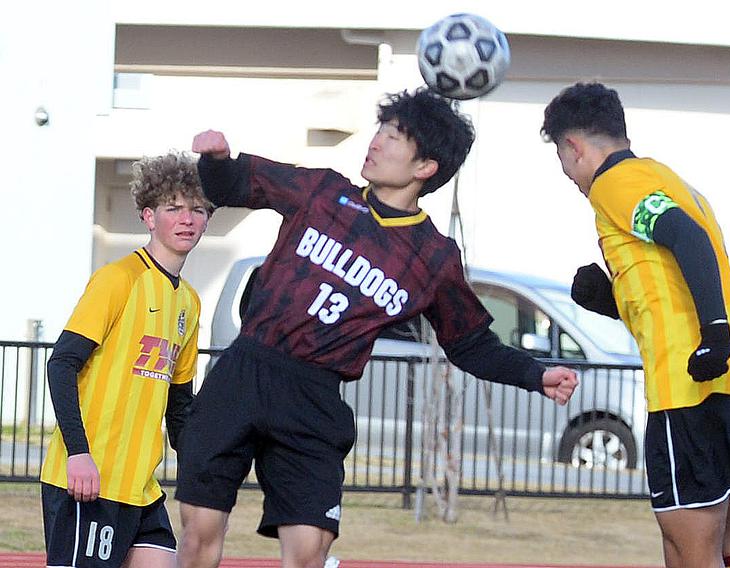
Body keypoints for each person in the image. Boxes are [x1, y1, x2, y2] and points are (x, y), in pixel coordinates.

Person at [176, 89, 579, 568]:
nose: (377, 143)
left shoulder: (433, 256)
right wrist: (217, 159)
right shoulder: (322, 191)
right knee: (200, 532)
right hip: (246, 370)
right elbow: (235, 184)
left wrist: (536, 375)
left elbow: (470, 344)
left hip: (314, 397)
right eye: (380, 131)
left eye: (394, 137)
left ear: (424, 166)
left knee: (308, 551)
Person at [541, 82, 730, 568]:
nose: (566, 173)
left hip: (689, 381)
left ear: (574, 146)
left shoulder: (614, 183)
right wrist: (610, 301)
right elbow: (672, 283)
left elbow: (686, 238)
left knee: (686, 542)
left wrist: (714, 334)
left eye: (561, 159)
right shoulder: (666, 177)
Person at [40, 151, 213, 567]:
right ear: (149, 217)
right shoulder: (117, 280)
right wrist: (78, 454)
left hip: (141, 488)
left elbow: (180, 405)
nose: (187, 219)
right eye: (174, 208)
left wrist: (204, 476)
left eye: (197, 209)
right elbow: (61, 364)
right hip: (89, 479)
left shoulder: (188, 302)